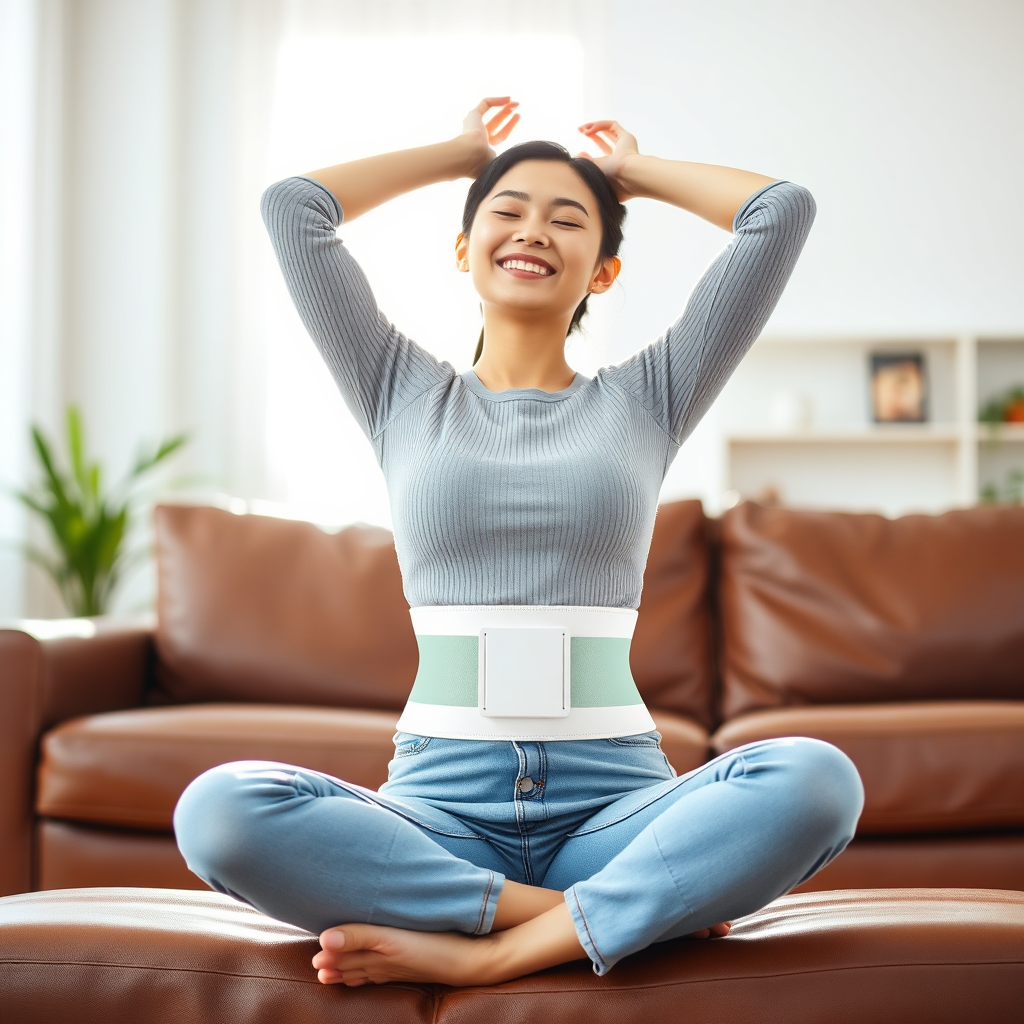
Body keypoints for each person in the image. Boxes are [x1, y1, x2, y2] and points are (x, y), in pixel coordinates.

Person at [174, 97, 864, 988]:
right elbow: (294, 208)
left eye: (566, 217)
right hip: (439, 817)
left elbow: (779, 212)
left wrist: (632, 174)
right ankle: (596, 920)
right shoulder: (397, 391)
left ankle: (493, 949)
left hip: (615, 810)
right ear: (464, 250)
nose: (532, 228)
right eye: (506, 210)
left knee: (816, 780)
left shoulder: (648, 397)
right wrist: (459, 155)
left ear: (603, 272)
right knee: (221, 811)